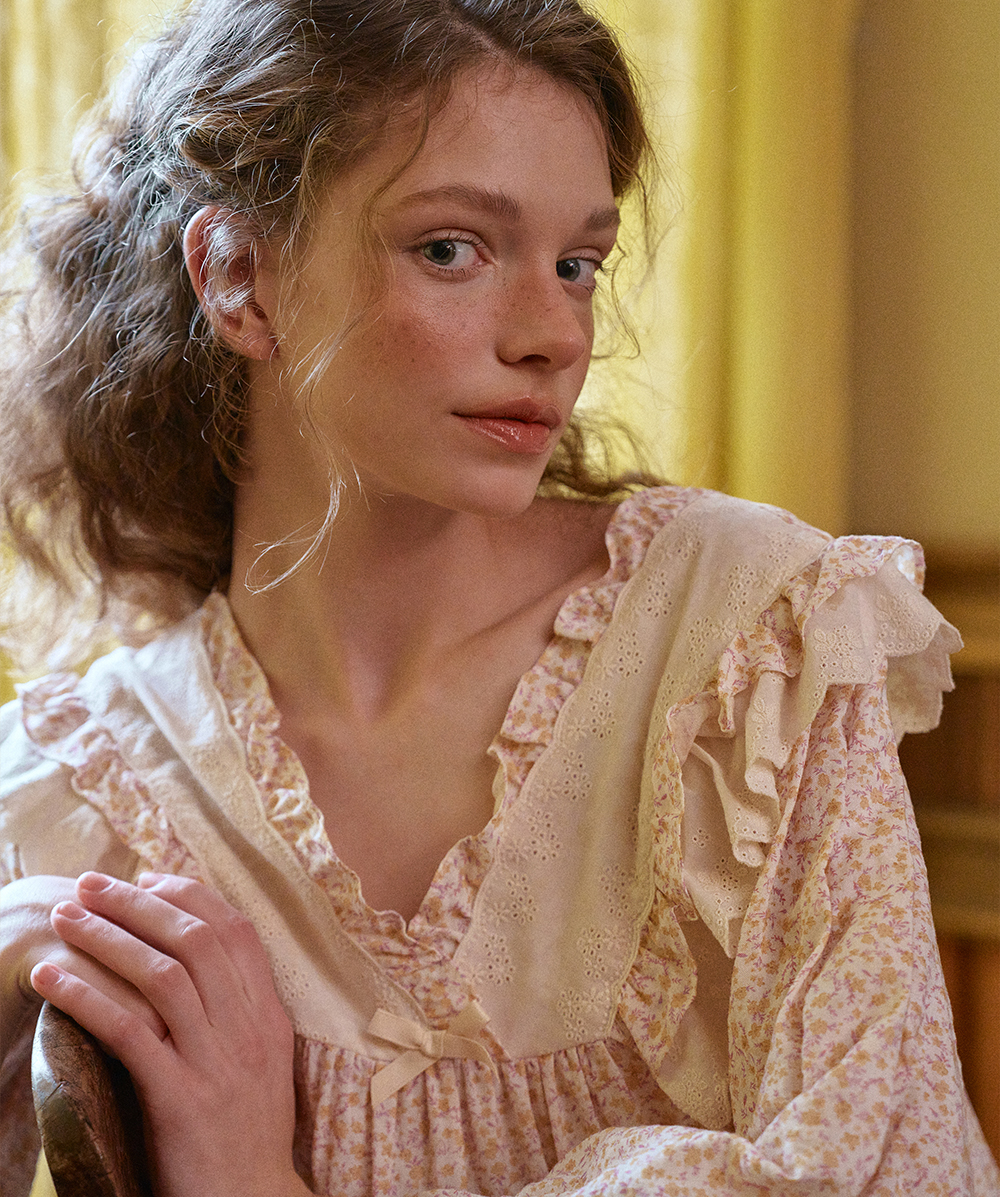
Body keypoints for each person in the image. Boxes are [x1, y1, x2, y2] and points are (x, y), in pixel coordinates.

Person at [0, 1, 996, 1194]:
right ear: (239, 277)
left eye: (576, 264)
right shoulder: (87, 789)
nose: (552, 335)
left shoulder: (745, 648)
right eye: (451, 249)